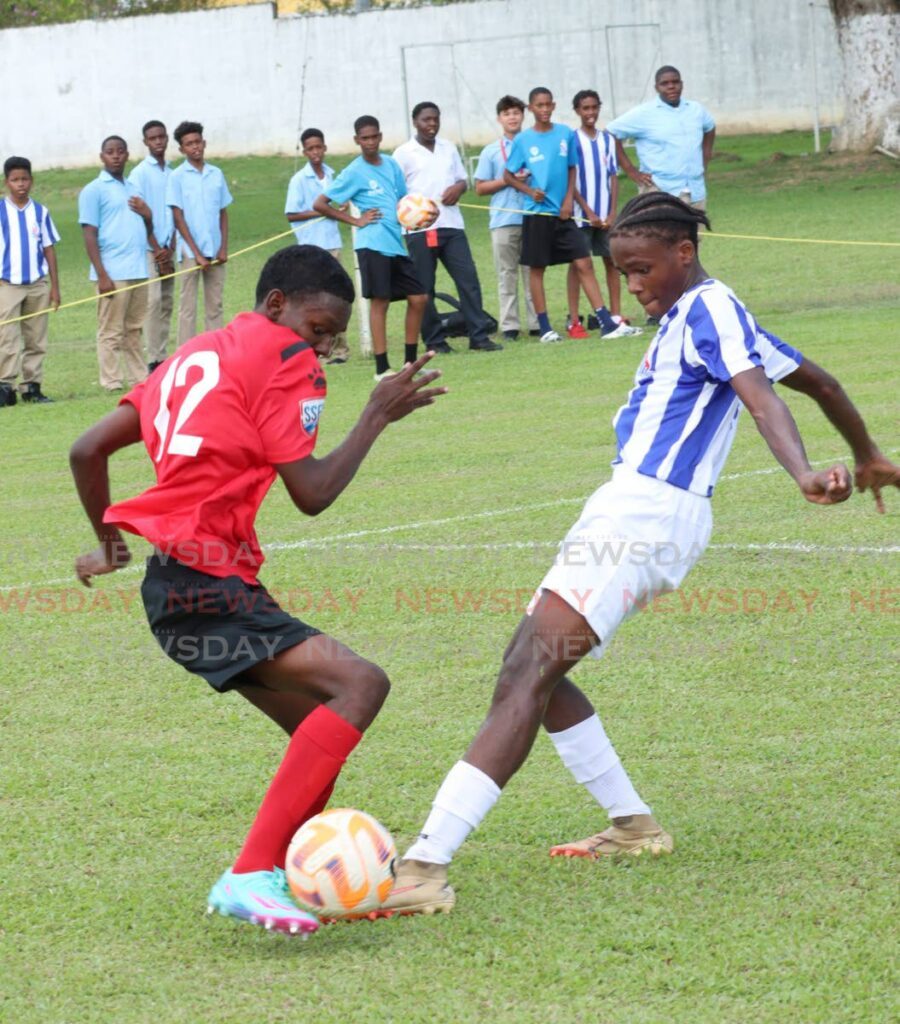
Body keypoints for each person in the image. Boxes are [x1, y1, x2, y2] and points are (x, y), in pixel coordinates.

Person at [375, 193, 900, 918]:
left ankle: (423, 868)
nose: (632, 286)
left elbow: (762, 399)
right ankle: (633, 825)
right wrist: (866, 452)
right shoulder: (712, 317)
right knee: (533, 669)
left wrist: (806, 472)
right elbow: (820, 382)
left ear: (684, 253)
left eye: (643, 268)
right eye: (621, 272)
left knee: (527, 673)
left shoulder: (712, 309)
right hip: (637, 510)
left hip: (645, 512)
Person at [69, 244, 447, 936]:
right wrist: (375, 416)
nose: (325, 347)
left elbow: (86, 448)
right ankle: (250, 874)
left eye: (335, 337)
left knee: (316, 726)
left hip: (178, 588)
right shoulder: (281, 357)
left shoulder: (192, 356)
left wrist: (112, 544)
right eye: (320, 329)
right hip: (204, 584)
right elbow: (313, 493)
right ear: (276, 304)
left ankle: (295, 877)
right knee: (361, 684)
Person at [503, 87, 640, 343]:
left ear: (553, 106)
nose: (544, 110)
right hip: (536, 214)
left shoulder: (565, 134)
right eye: (538, 106)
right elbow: (508, 175)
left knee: (584, 262)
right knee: (537, 268)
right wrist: (528, 190)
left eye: (547, 105)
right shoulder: (522, 140)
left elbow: (572, 169)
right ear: (531, 109)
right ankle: (545, 328)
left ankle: (607, 323)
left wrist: (568, 201)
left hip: (564, 215)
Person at [312, 115, 431, 382]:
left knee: (419, 298)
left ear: (380, 136)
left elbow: (402, 201)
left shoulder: (390, 165)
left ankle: (410, 363)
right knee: (381, 301)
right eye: (364, 138)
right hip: (372, 245)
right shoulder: (354, 171)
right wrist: (356, 220)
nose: (369, 142)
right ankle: (381, 368)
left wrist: (418, 215)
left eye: (373, 136)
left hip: (396, 244)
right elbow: (320, 203)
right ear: (357, 140)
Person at [393, 102, 502, 354]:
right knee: (424, 286)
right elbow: (397, 193)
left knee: (468, 280)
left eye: (435, 119)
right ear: (415, 122)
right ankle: (435, 341)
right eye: (425, 120)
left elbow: (462, 180)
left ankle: (479, 336)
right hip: (420, 230)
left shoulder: (448, 148)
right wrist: (412, 213)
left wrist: (458, 188)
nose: (431, 124)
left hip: (452, 225)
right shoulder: (403, 153)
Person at [78, 135, 153, 393]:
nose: (116, 156)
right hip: (112, 271)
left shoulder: (133, 187)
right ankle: (111, 381)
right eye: (110, 152)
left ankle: (139, 378)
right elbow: (89, 233)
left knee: (134, 328)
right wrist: (102, 275)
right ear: (102, 156)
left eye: (120, 151)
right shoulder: (93, 190)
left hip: (138, 269)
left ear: (127, 154)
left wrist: (148, 215)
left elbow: (146, 227)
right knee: (110, 330)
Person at [473, 95, 540, 343]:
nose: (512, 117)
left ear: (523, 115)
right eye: (507, 113)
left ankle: (536, 322)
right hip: (503, 219)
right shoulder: (491, 151)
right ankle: (509, 325)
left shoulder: (535, 145)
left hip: (533, 216)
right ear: (500, 118)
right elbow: (480, 188)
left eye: (516, 112)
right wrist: (509, 179)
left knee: (532, 271)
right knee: (506, 273)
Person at [566, 89, 630, 338]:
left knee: (612, 262)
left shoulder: (607, 139)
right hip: (582, 215)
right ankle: (574, 320)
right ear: (577, 111)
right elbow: (571, 179)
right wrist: (588, 210)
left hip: (606, 216)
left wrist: (613, 211)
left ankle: (615, 315)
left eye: (594, 108)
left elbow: (613, 176)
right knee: (579, 265)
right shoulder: (572, 140)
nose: (590, 113)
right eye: (585, 108)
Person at [607, 66, 716, 212]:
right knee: (661, 235)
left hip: (696, 190)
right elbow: (610, 133)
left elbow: (709, 127)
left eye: (675, 82)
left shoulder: (696, 109)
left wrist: (706, 156)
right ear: (656, 87)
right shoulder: (644, 113)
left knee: (694, 235)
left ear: (682, 84)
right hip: (659, 190)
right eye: (664, 83)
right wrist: (631, 171)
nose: (671, 86)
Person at [285, 128, 350, 365]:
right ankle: (315, 350)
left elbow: (337, 203)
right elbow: (291, 215)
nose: (315, 152)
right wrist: (321, 210)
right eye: (310, 148)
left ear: (324, 148)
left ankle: (341, 350)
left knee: (336, 297)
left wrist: (338, 209)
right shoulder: (299, 180)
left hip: (332, 244)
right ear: (304, 151)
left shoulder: (332, 175)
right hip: (311, 247)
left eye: (318, 147)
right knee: (314, 302)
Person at [0, 156, 61, 406]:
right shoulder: (1, 211)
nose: (21, 184)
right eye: (15, 180)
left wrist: (54, 287)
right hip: (8, 284)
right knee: (7, 336)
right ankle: (5, 386)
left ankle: (32, 386)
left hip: (37, 284)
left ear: (32, 181)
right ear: (7, 183)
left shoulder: (40, 211)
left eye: (25, 179)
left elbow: (48, 249)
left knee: (36, 337)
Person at [167, 120, 232, 347]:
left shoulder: (216, 173)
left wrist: (223, 247)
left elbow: (223, 212)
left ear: (203, 143)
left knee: (215, 304)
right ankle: (185, 351)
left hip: (215, 248)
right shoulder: (177, 177)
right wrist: (196, 254)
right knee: (188, 306)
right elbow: (178, 217)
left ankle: (215, 349)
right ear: (181, 149)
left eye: (197, 142)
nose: (194, 147)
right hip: (189, 252)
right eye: (188, 144)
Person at [128, 120, 175, 373]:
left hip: (168, 247)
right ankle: (152, 359)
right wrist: (157, 248)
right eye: (152, 138)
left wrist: (170, 245)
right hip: (149, 247)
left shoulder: (172, 171)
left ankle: (162, 355)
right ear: (145, 142)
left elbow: (174, 211)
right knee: (153, 301)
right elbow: (140, 213)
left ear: (167, 139)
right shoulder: (139, 174)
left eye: (161, 137)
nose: (158, 142)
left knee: (166, 302)